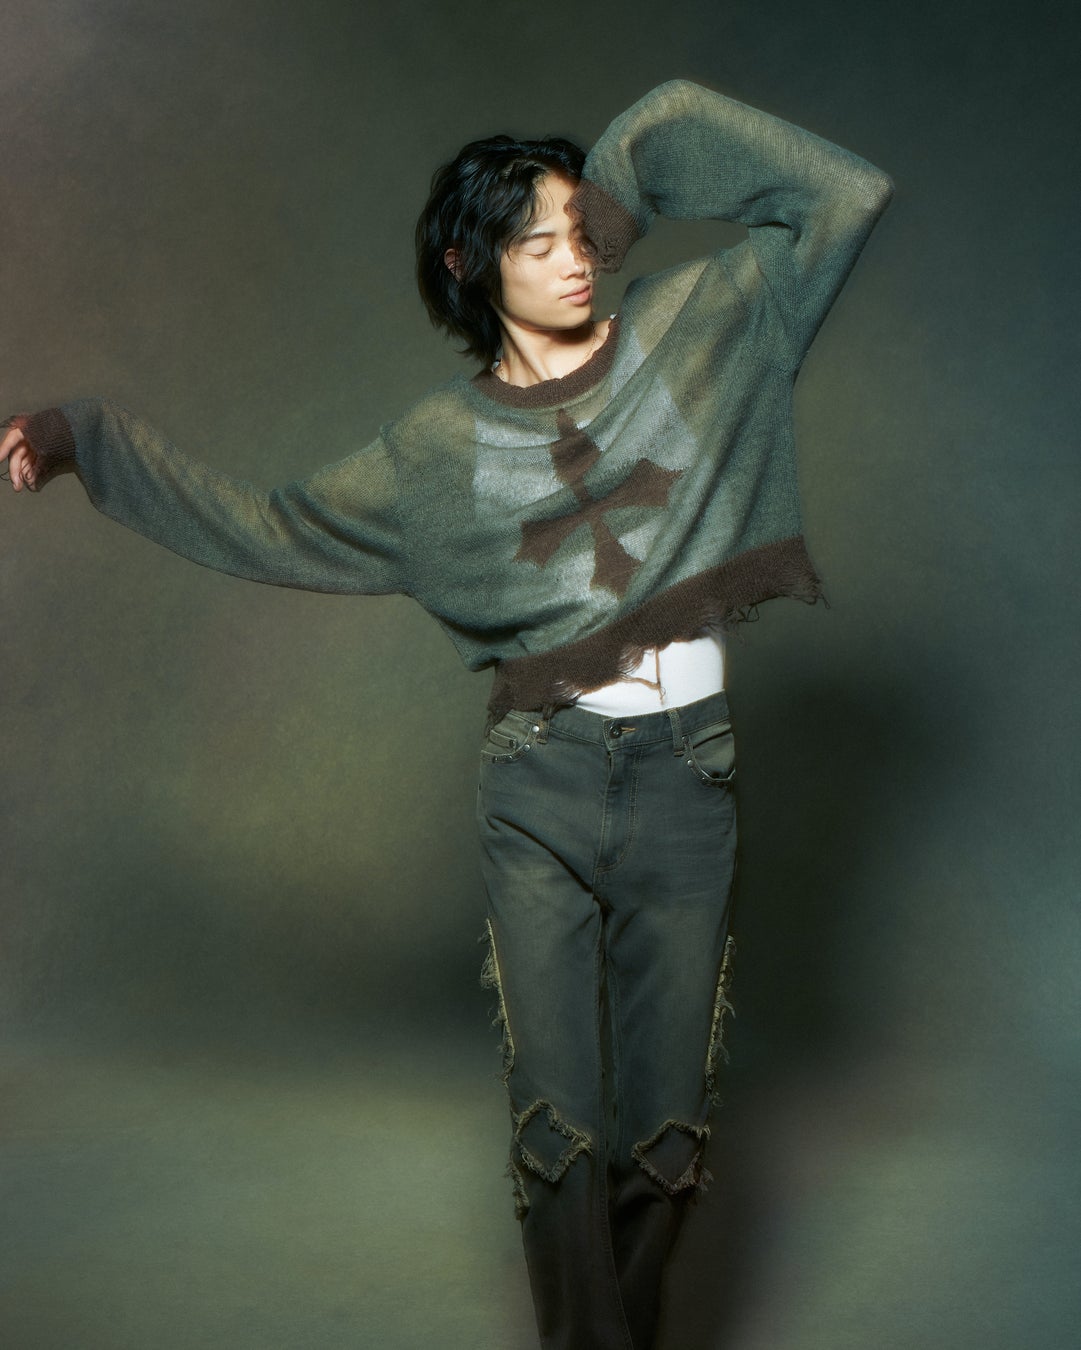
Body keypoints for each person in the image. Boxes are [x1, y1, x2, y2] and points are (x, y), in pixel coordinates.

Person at [2, 78, 892, 1350]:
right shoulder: (433, 453)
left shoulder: (701, 329)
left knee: (667, 1126)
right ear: (472, 268)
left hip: (686, 779)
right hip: (540, 785)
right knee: (556, 1120)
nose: (574, 259)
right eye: (537, 242)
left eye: (582, 230)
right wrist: (85, 438)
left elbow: (841, 197)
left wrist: (638, 157)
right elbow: (265, 526)